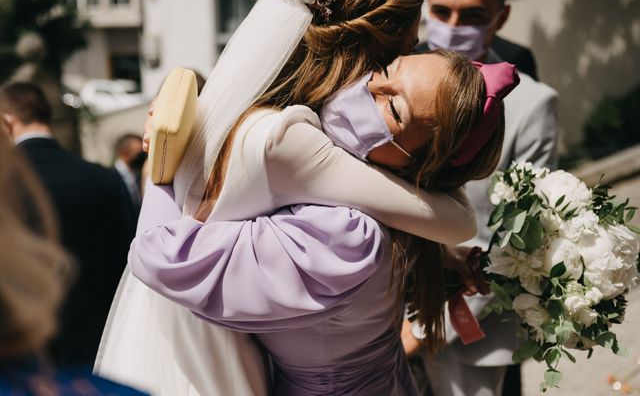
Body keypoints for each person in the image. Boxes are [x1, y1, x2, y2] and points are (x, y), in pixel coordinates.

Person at [96, 0, 499, 395]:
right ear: (366, 51)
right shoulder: (287, 140)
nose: (379, 82)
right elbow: (453, 220)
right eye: (392, 59)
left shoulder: (258, 124)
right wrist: (162, 171)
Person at [130, 50, 516, 395]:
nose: (370, 89)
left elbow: (161, 254)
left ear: (423, 166)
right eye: (383, 69)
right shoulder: (399, 208)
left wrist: (164, 167)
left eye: (395, 110)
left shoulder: (346, 234)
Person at [407, 0, 559, 396]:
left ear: (501, 17)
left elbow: (519, 241)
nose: (453, 27)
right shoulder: (392, 79)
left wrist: (422, 328)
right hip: (376, 316)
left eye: (472, 15)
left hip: (472, 332)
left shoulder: (533, 104)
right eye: (442, 11)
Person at [0, 82, 137, 367]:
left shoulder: (7, 185)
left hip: (22, 345)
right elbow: (126, 265)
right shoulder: (104, 180)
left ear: (7, 121)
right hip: (94, 339)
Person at [113, 133, 146, 212]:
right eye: (139, 153)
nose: (142, 156)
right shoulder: (112, 179)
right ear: (124, 153)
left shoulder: (137, 175)